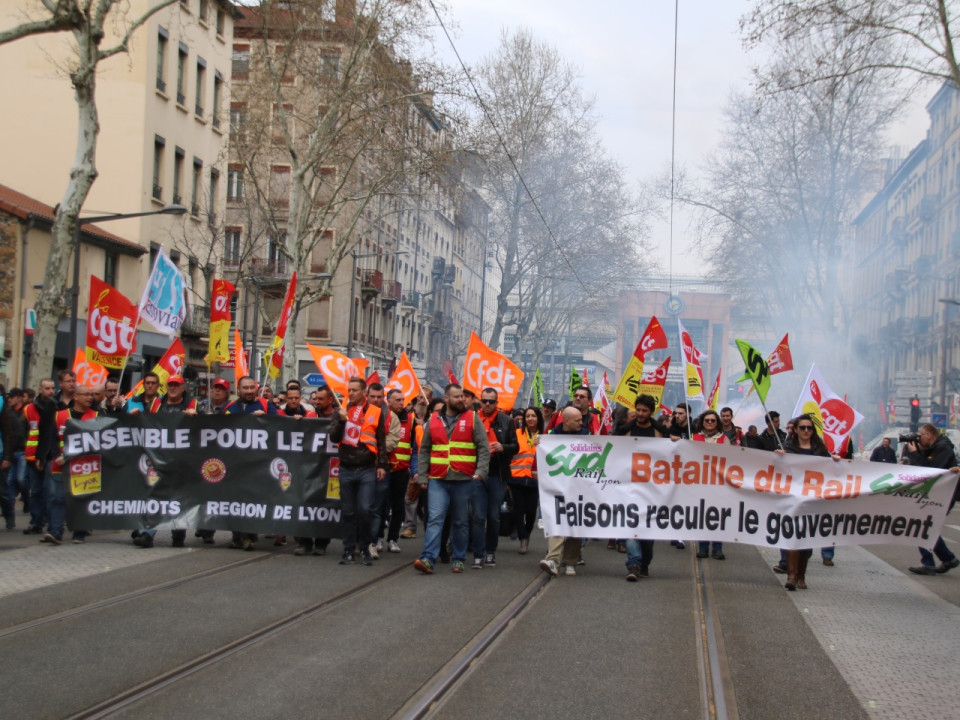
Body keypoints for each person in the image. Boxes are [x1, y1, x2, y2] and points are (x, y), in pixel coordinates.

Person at [413, 384, 490, 574]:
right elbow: (424, 450)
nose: (461, 400)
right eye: (456, 397)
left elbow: (483, 447)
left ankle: (459, 558)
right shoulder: (433, 420)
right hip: (438, 479)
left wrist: (481, 471)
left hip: (464, 479)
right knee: (435, 519)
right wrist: (422, 475)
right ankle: (428, 557)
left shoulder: (473, 418)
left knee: (461, 521)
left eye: (462, 396)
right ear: (446, 399)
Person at [774, 414, 841, 589]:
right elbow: (777, 470)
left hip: (812, 500)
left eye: (809, 428)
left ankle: (801, 575)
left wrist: (835, 461)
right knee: (792, 537)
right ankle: (791, 575)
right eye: (802, 427)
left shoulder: (820, 450)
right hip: (792, 499)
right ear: (795, 429)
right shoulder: (787, 448)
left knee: (806, 541)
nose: (805, 431)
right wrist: (777, 457)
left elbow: (831, 470)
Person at [330, 377, 388, 566]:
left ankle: (364, 547)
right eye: (349, 390)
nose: (351, 393)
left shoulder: (376, 412)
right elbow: (333, 437)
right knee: (348, 511)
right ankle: (348, 550)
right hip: (346, 468)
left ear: (364, 393)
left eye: (354, 390)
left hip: (367, 469)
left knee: (365, 510)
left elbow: (381, 441)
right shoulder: (341, 410)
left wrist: (381, 465)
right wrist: (340, 420)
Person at [224, 376, 278, 550]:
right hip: (235, 463)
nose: (248, 391)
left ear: (256, 388)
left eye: (251, 387)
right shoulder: (230, 407)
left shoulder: (265, 405)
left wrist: (266, 418)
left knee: (250, 499)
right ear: (238, 389)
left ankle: (247, 536)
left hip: (257, 463)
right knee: (234, 500)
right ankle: (237, 536)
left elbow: (280, 426)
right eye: (244, 388)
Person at [539, 407, 590, 577]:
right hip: (558, 487)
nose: (581, 422)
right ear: (566, 421)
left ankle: (570, 561)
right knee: (557, 520)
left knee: (575, 524)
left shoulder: (587, 436)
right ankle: (553, 559)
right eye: (577, 420)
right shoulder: (552, 436)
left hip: (579, 487)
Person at [902, 424, 960, 576]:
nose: (918, 439)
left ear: (929, 435)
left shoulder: (943, 449)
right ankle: (947, 558)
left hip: (944, 495)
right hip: (934, 494)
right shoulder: (932, 448)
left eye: (920, 436)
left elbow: (929, 472)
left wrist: (915, 453)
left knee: (921, 525)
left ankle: (931, 562)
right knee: (924, 526)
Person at [471, 387, 519, 568]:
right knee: (477, 516)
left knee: (493, 516)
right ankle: (478, 553)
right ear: (480, 402)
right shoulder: (473, 419)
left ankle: (490, 551)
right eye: (485, 401)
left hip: (497, 475)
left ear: (497, 403)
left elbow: (515, 447)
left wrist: (503, 447)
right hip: (477, 475)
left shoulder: (507, 421)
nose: (488, 404)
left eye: (491, 401)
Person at [615, 395, 661, 580]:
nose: (640, 414)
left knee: (647, 534)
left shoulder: (659, 430)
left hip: (651, 488)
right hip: (629, 486)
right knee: (630, 525)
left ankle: (645, 562)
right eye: (638, 410)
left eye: (644, 411)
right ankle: (633, 564)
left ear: (651, 412)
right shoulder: (626, 430)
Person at [45, 385, 98, 544]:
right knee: (58, 499)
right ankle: (55, 532)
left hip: (85, 467)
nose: (90, 398)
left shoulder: (96, 416)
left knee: (81, 500)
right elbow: (53, 439)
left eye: (91, 395)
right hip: (61, 465)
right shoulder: (59, 416)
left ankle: (79, 533)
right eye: (86, 394)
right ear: (76, 396)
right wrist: (56, 456)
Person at [366, 381, 401, 558]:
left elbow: (393, 441)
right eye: (372, 396)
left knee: (378, 507)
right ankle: (360, 540)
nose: (376, 400)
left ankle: (373, 541)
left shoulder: (391, 418)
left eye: (379, 397)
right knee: (362, 506)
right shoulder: (359, 413)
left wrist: (369, 447)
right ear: (367, 396)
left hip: (382, 467)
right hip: (361, 466)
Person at [383, 388, 418, 554]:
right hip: (383, 469)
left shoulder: (410, 421)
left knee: (398, 507)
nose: (401, 403)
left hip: (401, 471)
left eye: (402, 400)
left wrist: (414, 470)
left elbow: (415, 448)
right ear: (388, 401)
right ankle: (377, 539)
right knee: (381, 505)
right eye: (397, 400)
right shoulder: (382, 417)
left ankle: (393, 539)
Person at [23, 378, 58, 536]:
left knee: (48, 491)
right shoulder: (29, 409)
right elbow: (24, 431)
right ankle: (36, 522)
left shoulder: (56, 407)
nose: (50, 391)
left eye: (52, 388)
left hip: (49, 455)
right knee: (35, 491)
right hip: (31, 456)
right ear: (40, 390)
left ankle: (51, 524)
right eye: (47, 388)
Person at [693, 409, 727, 560]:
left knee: (717, 517)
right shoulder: (694, 437)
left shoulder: (724, 439)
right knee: (702, 517)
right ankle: (703, 547)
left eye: (713, 420)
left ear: (717, 423)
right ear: (703, 422)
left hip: (718, 484)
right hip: (700, 483)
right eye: (707, 420)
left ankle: (717, 548)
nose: (710, 423)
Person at [509, 407, 541, 555]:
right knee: (518, 510)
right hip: (517, 479)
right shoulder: (516, 434)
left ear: (538, 418)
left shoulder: (545, 437)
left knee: (531, 512)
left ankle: (527, 534)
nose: (530, 419)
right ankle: (523, 540)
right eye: (527, 416)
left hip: (535, 480)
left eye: (533, 416)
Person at [2, 388, 28, 530]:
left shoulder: (8, 414)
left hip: (14, 453)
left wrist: (7, 456)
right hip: (11, 453)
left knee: (16, 482)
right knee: (10, 483)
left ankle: (10, 516)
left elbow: (11, 436)